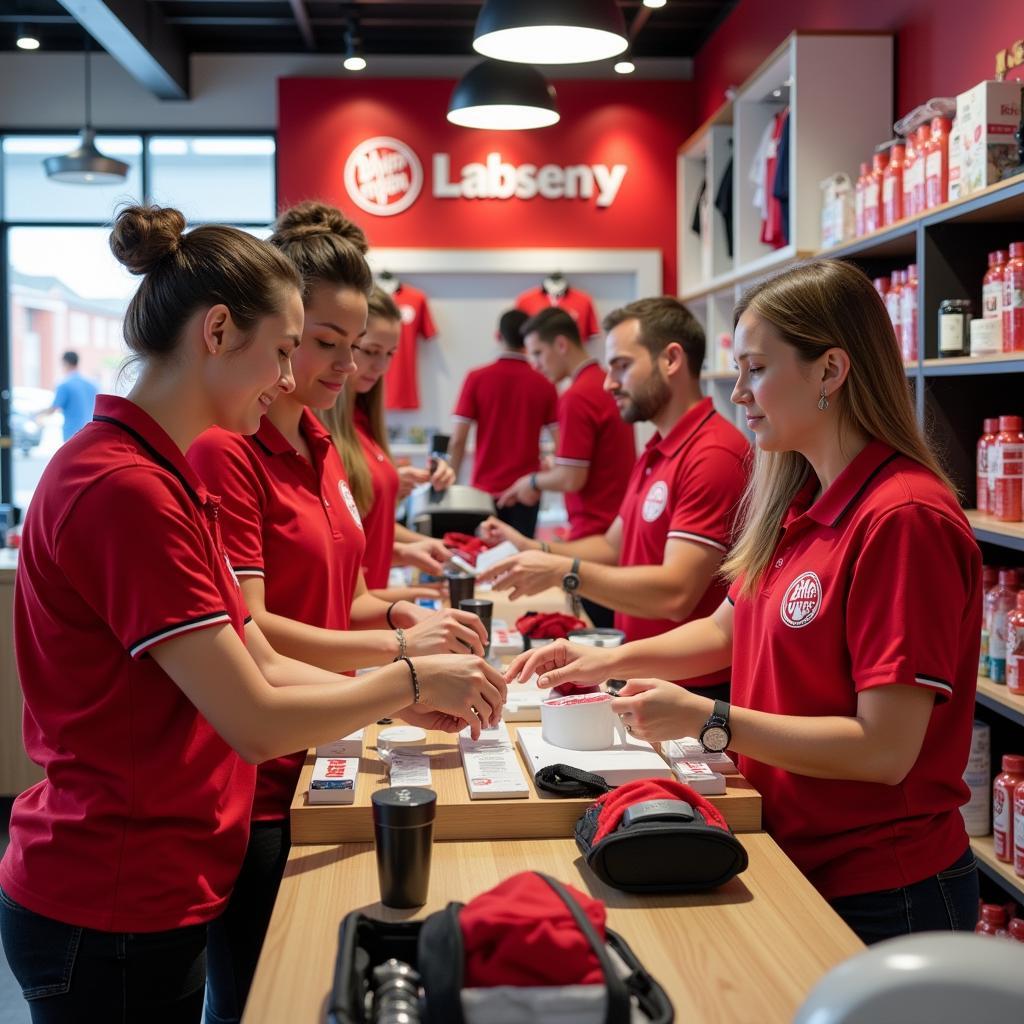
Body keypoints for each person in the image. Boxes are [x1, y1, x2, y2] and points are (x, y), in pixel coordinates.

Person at [0, 204, 505, 1024]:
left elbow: (257, 656)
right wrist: (406, 673)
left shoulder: (162, 475)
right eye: (282, 351)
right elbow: (256, 718)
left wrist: (404, 688)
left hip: (157, 877)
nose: (286, 377)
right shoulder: (125, 488)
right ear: (219, 330)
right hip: (113, 891)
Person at [507, 259, 981, 946]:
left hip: (885, 890)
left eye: (755, 370)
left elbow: (884, 751)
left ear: (831, 371)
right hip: (791, 854)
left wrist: (711, 719)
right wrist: (595, 659)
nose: (738, 393)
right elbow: (727, 631)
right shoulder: (799, 500)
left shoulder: (904, 517)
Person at [187, 202, 487, 1024]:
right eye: (319, 343)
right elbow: (252, 629)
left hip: (321, 753)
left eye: (355, 347)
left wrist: (406, 630)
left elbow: (338, 595)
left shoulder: (321, 447)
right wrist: (404, 662)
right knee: (257, 997)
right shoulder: (226, 450)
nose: (345, 364)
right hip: (256, 779)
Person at [481, 297, 748, 701]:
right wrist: (535, 550)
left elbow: (677, 593)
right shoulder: (659, 448)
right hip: (647, 681)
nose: (609, 382)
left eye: (622, 365)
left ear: (671, 359)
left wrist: (563, 571)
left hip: (689, 693)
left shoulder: (714, 454)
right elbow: (612, 546)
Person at [497, 307, 635, 627]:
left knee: (598, 631)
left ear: (561, 345)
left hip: (595, 533)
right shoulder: (603, 384)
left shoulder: (577, 395)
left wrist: (530, 482)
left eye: (539, 353)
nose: (536, 364)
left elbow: (572, 478)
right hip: (613, 524)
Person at [320, 285, 457, 603]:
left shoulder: (364, 422)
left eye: (390, 354)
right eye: (370, 351)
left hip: (369, 611)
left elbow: (366, 530)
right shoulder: (323, 432)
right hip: (357, 615)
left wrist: (407, 551)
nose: (381, 367)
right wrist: (403, 597)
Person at [449, 308, 559, 539]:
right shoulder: (544, 383)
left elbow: (458, 439)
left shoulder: (476, 378)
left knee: (481, 561)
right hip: (525, 492)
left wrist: (450, 485)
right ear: (528, 341)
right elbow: (562, 441)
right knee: (522, 562)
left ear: (498, 336)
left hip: (483, 493)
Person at [37, 350, 98, 442]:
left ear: (65, 363)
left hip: (72, 436)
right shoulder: (92, 385)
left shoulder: (64, 385)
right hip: (90, 434)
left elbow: (53, 409)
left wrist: (37, 415)